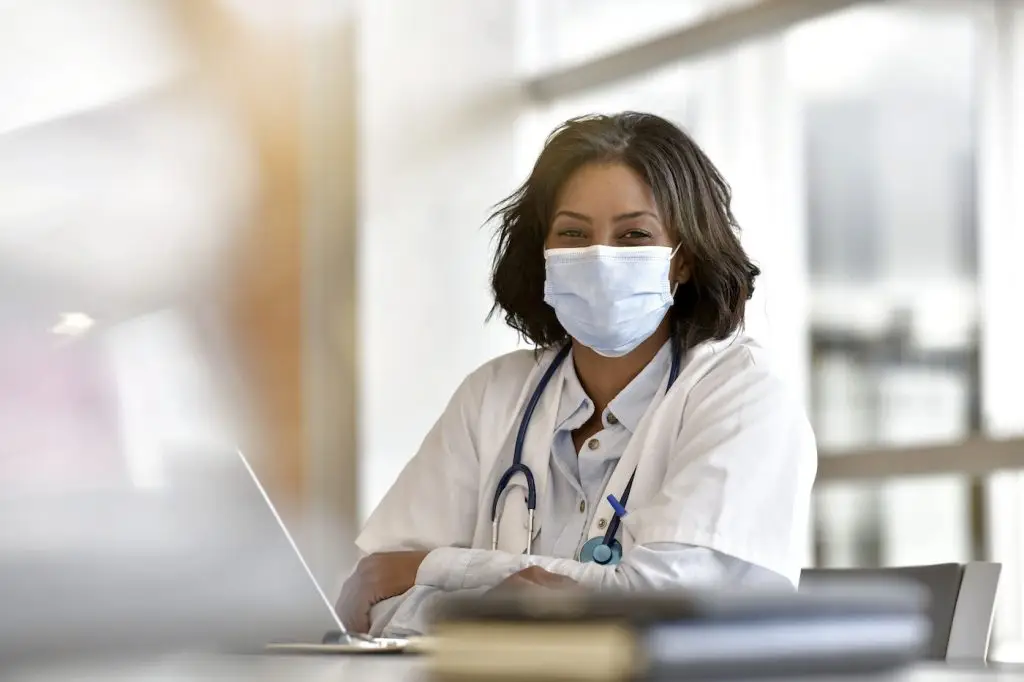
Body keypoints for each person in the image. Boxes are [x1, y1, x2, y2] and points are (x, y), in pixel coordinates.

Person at [335, 112, 817, 637]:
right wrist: (507, 607)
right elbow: (368, 601)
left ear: (683, 260)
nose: (600, 257)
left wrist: (439, 569)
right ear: (544, 253)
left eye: (633, 234)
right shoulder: (492, 396)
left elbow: (668, 610)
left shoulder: (742, 394)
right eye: (573, 233)